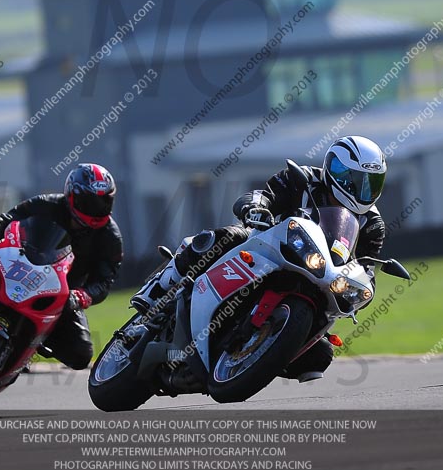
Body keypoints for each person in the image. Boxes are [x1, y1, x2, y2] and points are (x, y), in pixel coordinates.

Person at [132, 136, 387, 382]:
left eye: (371, 183)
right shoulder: (303, 178)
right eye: (355, 180)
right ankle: (155, 290)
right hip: (267, 248)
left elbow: (367, 268)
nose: (362, 190)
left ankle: (253, 356)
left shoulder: (372, 224)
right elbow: (262, 195)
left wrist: (363, 290)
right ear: (336, 170)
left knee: (319, 357)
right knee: (220, 238)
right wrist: (256, 208)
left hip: (318, 274)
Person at [0, 163, 123, 370]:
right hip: (18, 266)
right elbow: (4, 219)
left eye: (104, 202)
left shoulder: (110, 237)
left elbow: (103, 281)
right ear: (73, 196)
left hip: (60, 294)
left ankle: (28, 344)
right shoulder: (46, 204)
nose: (98, 209)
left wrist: (84, 295)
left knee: (81, 354)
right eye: (91, 201)